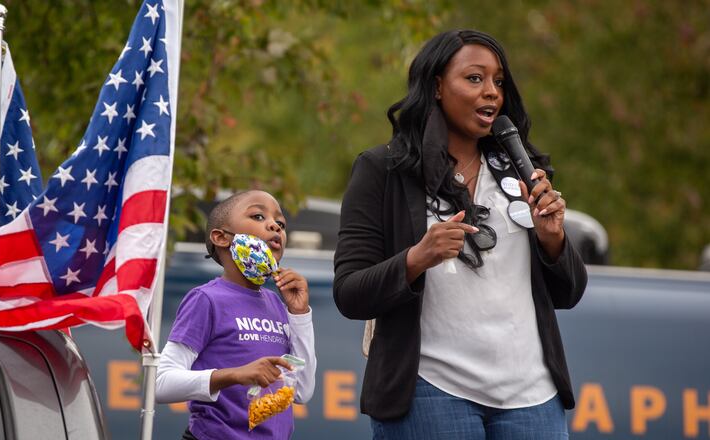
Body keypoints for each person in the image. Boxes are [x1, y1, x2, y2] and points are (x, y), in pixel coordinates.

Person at [333, 29, 587, 439]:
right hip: (429, 392)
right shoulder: (384, 170)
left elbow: (570, 293)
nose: (491, 93)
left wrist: (552, 239)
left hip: (532, 398)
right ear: (436, 86)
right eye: (474, 78)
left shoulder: (521, 171)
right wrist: (418, 257)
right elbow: (349, 292)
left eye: (498, 82)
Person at [156, 190, 316, 440]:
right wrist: (235, 374)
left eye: (281, 224)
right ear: (221, 237)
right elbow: (160, 383)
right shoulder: (207, 299)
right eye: (258, 216)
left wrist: (300, 314)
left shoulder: (277, 303)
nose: (275, 225)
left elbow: (302, 391)